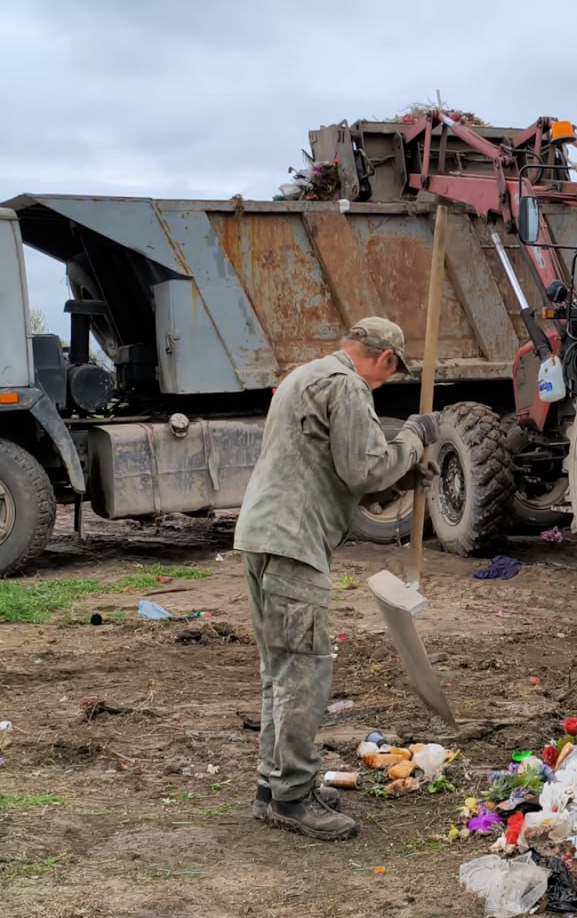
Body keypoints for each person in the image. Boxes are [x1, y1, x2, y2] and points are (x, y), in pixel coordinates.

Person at [233, 317, 440, 842]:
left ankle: (274, 787)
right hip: (294, 543)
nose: (384, 384)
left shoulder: (306, 377)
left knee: (280, 669)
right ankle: (294, 798)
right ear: (386, 359)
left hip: (264, 536)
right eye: (391, 375)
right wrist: (412, 443)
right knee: (303, 671)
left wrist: (397, 477)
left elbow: (332, 470)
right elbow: (364, 470)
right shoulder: (347, 386)